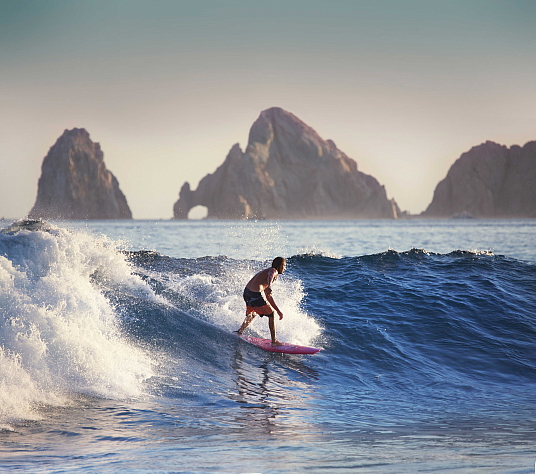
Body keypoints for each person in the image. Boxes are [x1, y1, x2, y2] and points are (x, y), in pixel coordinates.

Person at [237, 257, 286, 345]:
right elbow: (271, 274)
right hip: (254, 295)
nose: (285, 268)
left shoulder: (265, 275)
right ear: (280, 265)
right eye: (284, 266)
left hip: (247, 293)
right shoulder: (273, 271)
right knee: (271, 314)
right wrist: (270, 286)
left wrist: (279, 311)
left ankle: (240, 331)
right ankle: (274, 341)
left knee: (253, 312)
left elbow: (268, 297)